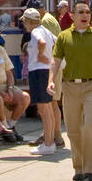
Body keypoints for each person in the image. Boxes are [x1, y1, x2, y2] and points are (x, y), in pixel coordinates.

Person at [50, 1, 92, 181]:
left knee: (90, 126)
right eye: (81, 12)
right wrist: (51, 81)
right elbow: (55, 61)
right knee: (72, 130)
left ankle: (91, 169)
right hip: (70, 87)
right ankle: (78, 167)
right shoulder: (64, 37)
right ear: (73, 15)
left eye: (87, 12)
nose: (85, 15)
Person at [21, 9, 60, 154]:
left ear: (28, 21)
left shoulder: (36, 32)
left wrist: (41, 55)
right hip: (45, 71)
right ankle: (49, 141)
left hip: (38, 71)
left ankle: (48, 143)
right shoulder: (45, 30)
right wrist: (50, 58)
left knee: (43, 109)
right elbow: (57, 42)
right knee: (48, 108)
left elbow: (42, 42)